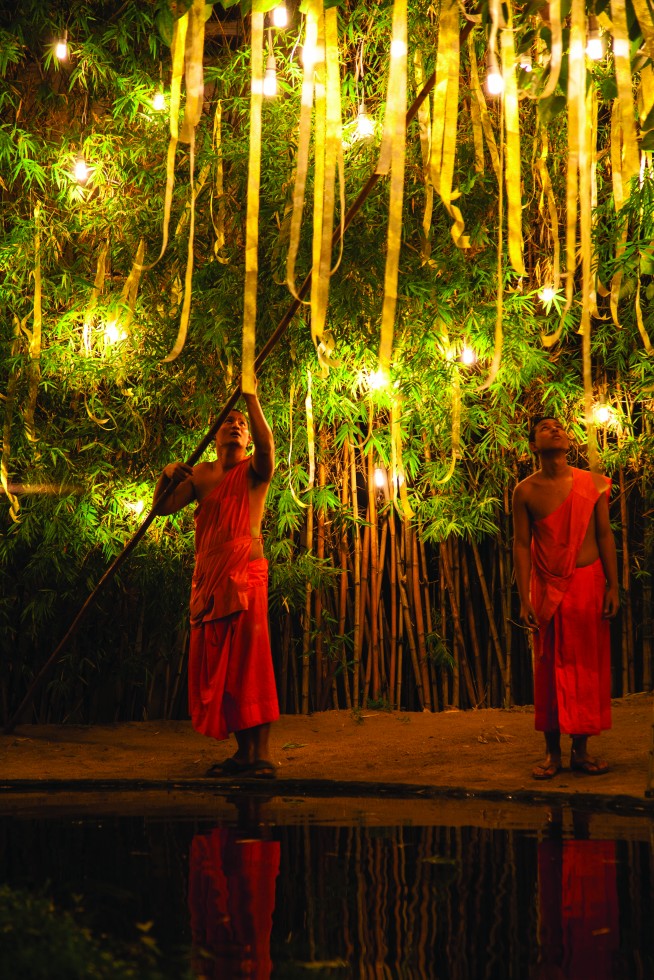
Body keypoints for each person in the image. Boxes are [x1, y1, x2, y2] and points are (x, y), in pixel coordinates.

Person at [154, 387, 279, 778]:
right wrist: (166, 476)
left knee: (249, 664)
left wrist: (252, 400)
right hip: (210, 580)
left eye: (241, 424)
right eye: (230, 420)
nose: (237, 425)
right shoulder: (202, 474)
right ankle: (244, 755)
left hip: (245, 575)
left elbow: (267, 444)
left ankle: (262, 755)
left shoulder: (255, 471)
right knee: (222, 667)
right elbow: (161, 509)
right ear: (215, 432)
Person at [512, 416, 619, 780]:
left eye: (559, 426)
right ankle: (551, 753)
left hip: (589, 584)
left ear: (569, 439)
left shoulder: (592, 484)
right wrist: (525, 598)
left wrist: (613, 586)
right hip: (549, 587)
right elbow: (521, 545)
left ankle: (582, 751)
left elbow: (605, 536)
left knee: (587, 669)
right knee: (550, 670)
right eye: (545, 428)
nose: (555, 429)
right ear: (532, 446)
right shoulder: (525, 491)